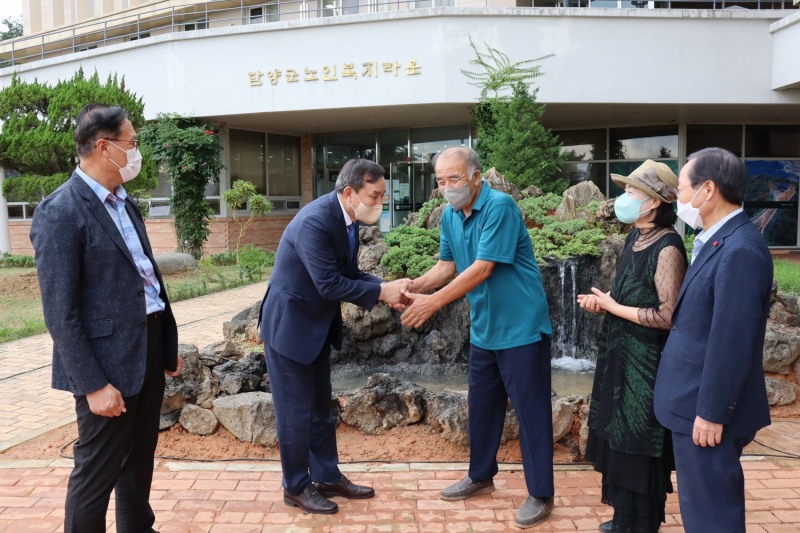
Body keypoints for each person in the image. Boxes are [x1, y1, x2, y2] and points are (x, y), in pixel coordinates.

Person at [30, 103, 182, 533]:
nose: (137, 154)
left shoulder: (124, 203)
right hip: (105, 362)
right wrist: (93, 384)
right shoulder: (61, 210)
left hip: (147, 346)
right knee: (96, 472)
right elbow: (60, 312)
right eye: (131, 144)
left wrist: (165, 344)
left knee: (139, 459)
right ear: (103, 146)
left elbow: (146, 277)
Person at [400, 147, 554, 528]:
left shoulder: (499, 207)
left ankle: (541, 494)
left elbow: (483, 268)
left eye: (454, 179)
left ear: (475, 176)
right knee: (482, 407)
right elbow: (446, 266)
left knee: (531, 412)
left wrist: (432, 303)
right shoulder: (452, 215)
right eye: (440, 180)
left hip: (520, 328)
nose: (447, 187)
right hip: (485, 327)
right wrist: (412, 287)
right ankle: (480, 475)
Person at [258, 158, 411, 515]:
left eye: (382, 195)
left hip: (316, 328)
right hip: (290, 327)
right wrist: (382, 293)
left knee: (320, 411)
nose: (380, 202)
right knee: (295, 414)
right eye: (374, 195)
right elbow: (329, 283)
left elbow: (350, 272)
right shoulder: (315, 221)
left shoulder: (348, 219)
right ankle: (295, 486)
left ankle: (326, 477)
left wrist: (388, 286)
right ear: (349, 192)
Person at [653, 148, 773, 533]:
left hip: (705, 413)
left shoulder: (741, 249)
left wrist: (713, 411)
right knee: (700, 507)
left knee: (711, 515)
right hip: (691, 402)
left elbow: (732, 339)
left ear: (708, 189)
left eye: (683, 188)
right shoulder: (717, 238)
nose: (680, 198)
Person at [577, 160, 687, 533]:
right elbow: (630, 293)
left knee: (640, 438)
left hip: (646, 362)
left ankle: (640, 523)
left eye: (632, 193)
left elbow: (666, 315)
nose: (624, 199)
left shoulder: (669, 246)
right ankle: (624, 517)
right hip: (620, 355)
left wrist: (613, 307)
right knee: (618, 436)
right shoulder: (634, 237)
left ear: (654, 202)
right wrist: (604, 300)